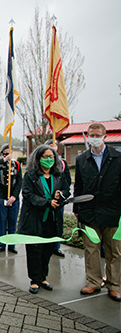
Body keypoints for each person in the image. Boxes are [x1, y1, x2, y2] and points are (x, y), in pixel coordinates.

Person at [74, 123, 121, 302]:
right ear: (87, 136)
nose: (94, 138)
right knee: (91, 250)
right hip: (89, 212)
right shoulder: (82, 159)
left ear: (105, 136)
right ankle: (93, 282)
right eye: (91, 135)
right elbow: (78, 186)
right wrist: (77, 209)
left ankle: (114, 285)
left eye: (97, 135)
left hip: (113, 213)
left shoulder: (117, 157)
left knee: (114, 251)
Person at [17, 145, 70, 294]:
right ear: (39, 158)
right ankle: (34, 280)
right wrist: (47, 202)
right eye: (45, 157)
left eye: (51, 157)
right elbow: (28, 195)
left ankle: (43, 277)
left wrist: (60, 195)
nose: (49, 160)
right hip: (34, 219)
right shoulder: (31, 175)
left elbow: (67, 190)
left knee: (48, 250)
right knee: (34, 250)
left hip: (52, 220)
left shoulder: (59, 175)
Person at [0, 144, 22, 254]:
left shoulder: (16, 164)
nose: (7, 154)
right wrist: (4, 159)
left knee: (12, 222)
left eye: (9, 152)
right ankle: (2, 244)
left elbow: (19, 181)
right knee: (2, 222)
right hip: (1, 195)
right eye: (5, 152)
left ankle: (12, 246)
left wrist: (14, 196)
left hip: (13, 197)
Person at [44, 139, 71, 257]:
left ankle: (57, 246)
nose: (53, 148)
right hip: (47, 201)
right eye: (50, 146)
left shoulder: (62, 163)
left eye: (54, 146)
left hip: (58, 201)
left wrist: (61, 193)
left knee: (58, 223)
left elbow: (67, 181)